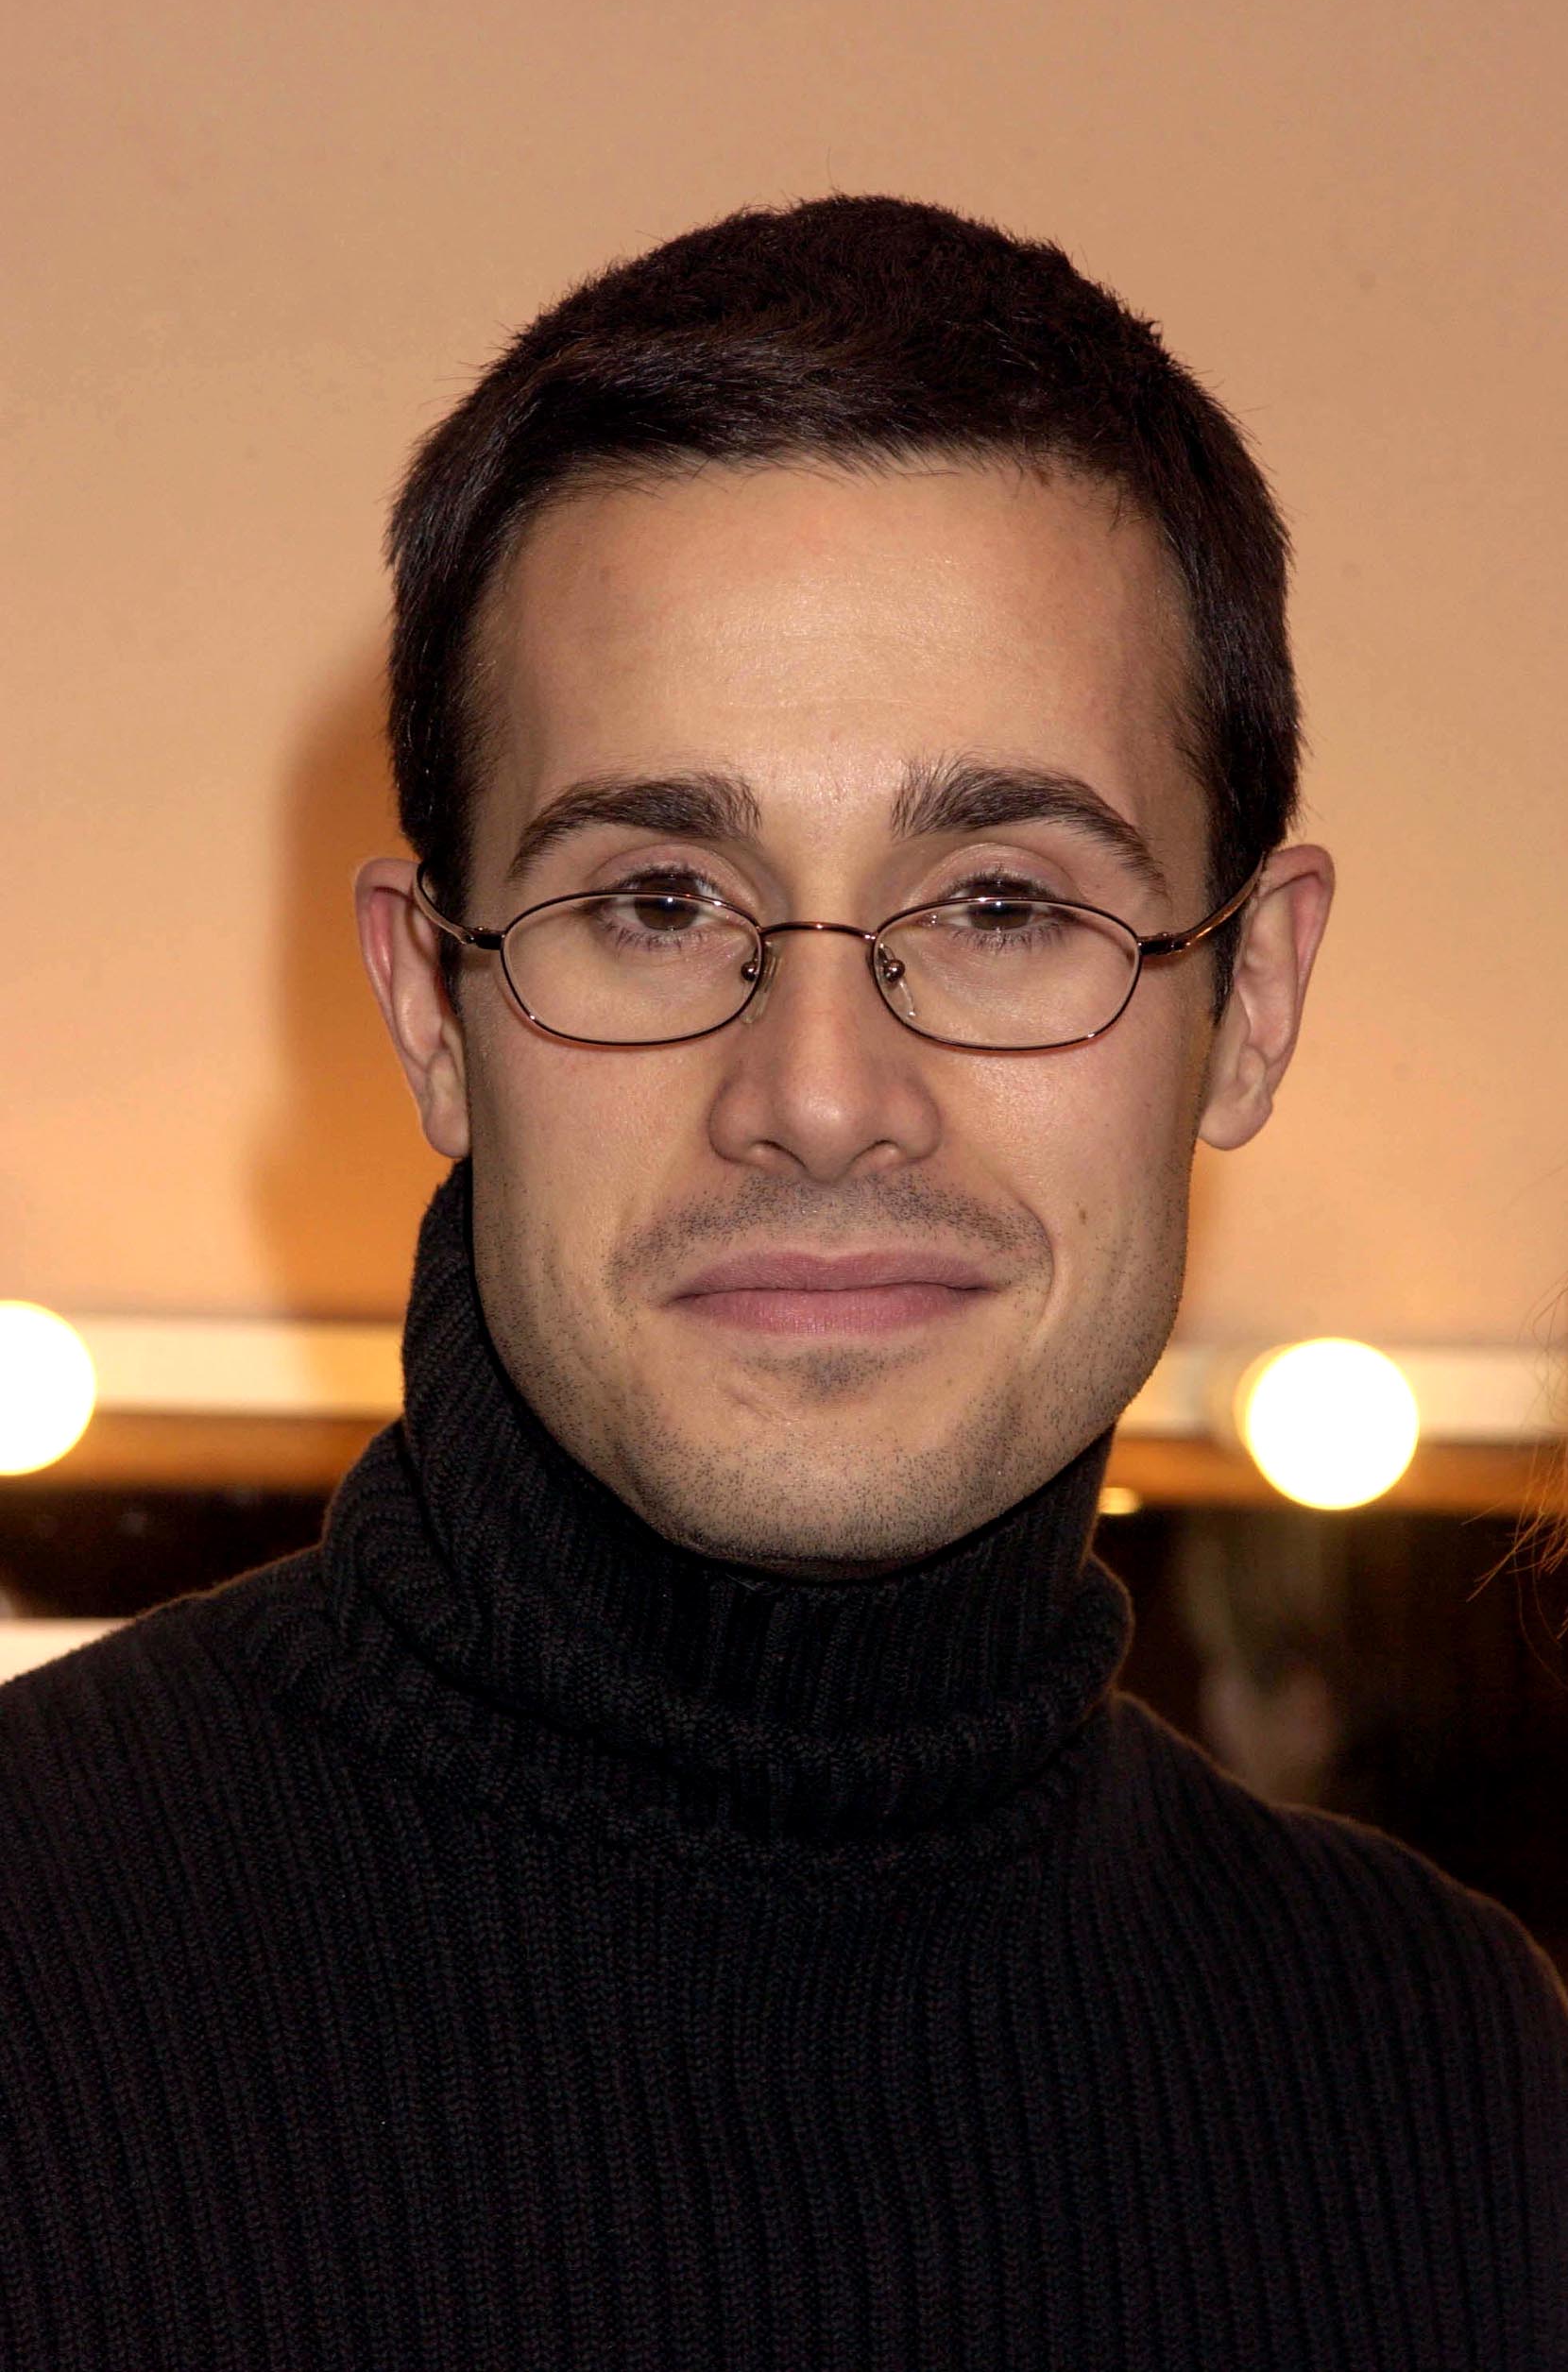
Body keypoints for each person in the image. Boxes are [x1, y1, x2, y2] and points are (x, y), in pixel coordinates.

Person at [2, 196, 1563, 2369]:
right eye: (654, 896)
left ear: (1256, 996)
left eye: (1004, 899)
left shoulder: (1442, 2086)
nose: (820, 1096)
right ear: (431, 1007)